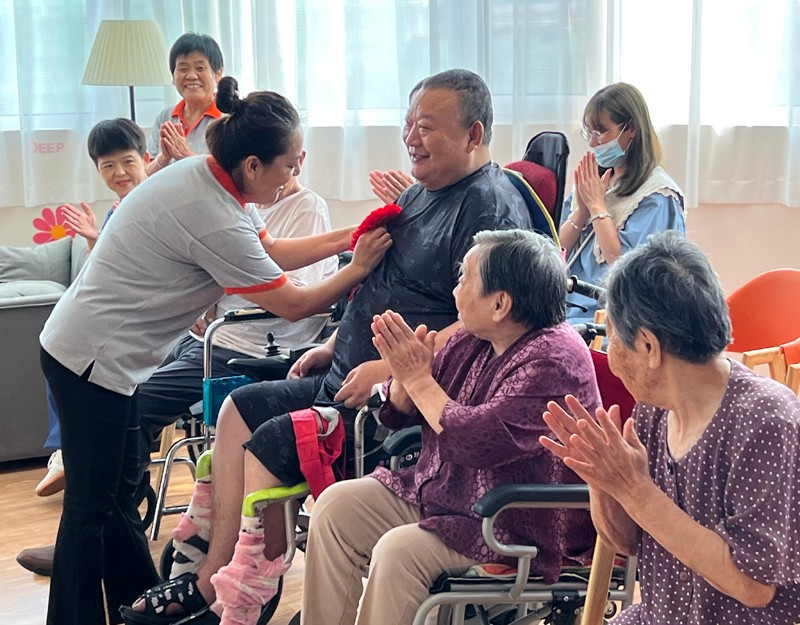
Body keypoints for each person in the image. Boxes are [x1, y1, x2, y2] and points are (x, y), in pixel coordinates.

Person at [123, 68, 533, 625]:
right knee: (237, 410)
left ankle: (245, 593)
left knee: (271, 441)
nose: (411, 137)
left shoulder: (489, 209)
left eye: (427, 127)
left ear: (473, 134)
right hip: (340, 372)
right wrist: (336, 341)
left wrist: (387, 368)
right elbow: (379, 283)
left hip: (392, 400)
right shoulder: (417, 195)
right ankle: (210, 575)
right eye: (408, 123)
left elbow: (483, 326)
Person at [39, 77, 391, 625]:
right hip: (91, 360)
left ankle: (141, 607)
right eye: (287, 166)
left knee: (116, 496)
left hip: (106, 359)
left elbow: (274, 249)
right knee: (90, 508)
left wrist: (360, 233)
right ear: (253, 165)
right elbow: (293, 304)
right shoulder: (212, 212)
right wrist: (359, 268)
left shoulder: (214, 180)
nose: (292, 176)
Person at [299, 229, 600, 625]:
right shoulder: (472, 336)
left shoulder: (555, 359)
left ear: (500, 304)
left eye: (464, 278)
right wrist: (404, 387)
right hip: (445, 495)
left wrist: (417, 380)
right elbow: (407, 404)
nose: (454, 289)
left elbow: (477, 441)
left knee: (399, 552)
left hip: (510, 522)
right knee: (336, 508)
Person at [540, 231, 800, 624]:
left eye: (612, 340)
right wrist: (604, 481)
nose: (611, 358)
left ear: (648, 347)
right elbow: (627, 542)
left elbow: (753, 585)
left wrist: (635, 490)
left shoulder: (765, 421)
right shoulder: (654, 412)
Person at [559, 82, 685, 325]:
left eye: (601, 132)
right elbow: (557, 253)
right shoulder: (595, 180)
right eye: (589, 133)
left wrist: (597, 208)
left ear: (631, 128)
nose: (592, 143)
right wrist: (582, 212)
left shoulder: (656, 197)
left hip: (614, 320)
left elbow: (625, 269)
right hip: (568, 307)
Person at [146, 32, 224, 175]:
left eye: (200, 68)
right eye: (183, 69)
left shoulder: (228, 118)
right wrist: (163, 158)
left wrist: (187, 156)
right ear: (173, 76)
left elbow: (237, 177)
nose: (191, 76)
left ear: (218, 74)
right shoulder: (165, 117)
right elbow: (146, 175)